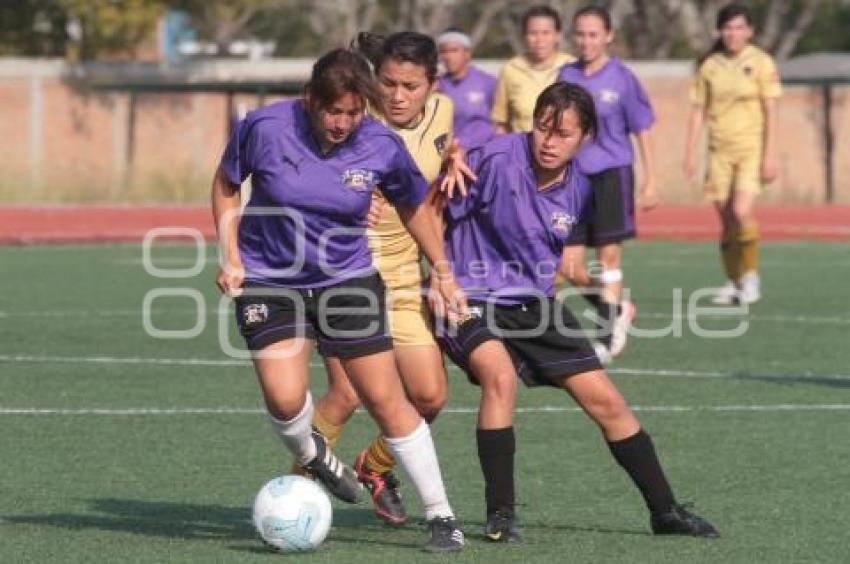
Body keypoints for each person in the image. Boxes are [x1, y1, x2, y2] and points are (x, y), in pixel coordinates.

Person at [436, 81, 719, 543]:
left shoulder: (579, 189)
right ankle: (501, 515)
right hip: (471, 298)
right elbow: (434, 209)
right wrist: (439, 273)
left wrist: (601, 284)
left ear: (584, 137)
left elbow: (561, 263)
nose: (548, 141)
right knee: (498, 379)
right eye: (543, 128)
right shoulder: (490, 158)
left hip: (533, 305)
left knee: (607, 401)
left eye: (562, 133)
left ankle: (665, 512)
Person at [212, 47, 465, 552]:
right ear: (310, 99)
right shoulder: (264, 126)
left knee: (385, 399)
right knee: (284, 399)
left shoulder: (380, 144)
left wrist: (443, 272)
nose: (343, 123)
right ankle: (316, 456)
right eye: (333, 111)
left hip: (347, 279)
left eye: (353, 113)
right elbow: (226, 184)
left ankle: (442, 515)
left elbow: (414, 207)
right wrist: (230, 254)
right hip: (271, 278)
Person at [299, 31, 465, 528]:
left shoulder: (444, 113)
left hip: (404, 279)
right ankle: (296, 487)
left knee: (431, 397)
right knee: (347, 394)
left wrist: (456, 158)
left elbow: (436, 158)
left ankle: (373, 468)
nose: (397, 95)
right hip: (346, 276)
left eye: (409, 85)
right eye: (387, 83)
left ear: (431, 85)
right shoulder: (355, 123)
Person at [556, 5, 658, 361]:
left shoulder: (622, 78)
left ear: (609, 36)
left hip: (612, 174)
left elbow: (642, 127)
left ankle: (606, 337)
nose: (586, 41)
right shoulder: (565, 75)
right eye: (580, 34)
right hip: (572, 179)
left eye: (593, 34)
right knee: (567, 265)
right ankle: (619, 307)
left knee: (609, 255)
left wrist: (651, 179)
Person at [684, 2, 781, 305]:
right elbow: (698, 111)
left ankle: (751, 278)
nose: (733, 34)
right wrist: (689, 153)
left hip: (750, 148)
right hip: (718, 152)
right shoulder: (710, 65)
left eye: (739, 27)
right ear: (720, 31)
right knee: (726, 220)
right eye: (728, 27)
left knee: (741, 212)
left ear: (750, 31)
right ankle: (733, 281)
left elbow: (771, 111)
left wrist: (770, 154)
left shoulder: (762, 63)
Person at [491, 5, 574, 134]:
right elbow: (501, 122)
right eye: (533, 33)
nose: (539, 40)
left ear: (558, 35)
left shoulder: (572, 67)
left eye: (546, 33)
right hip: (521, 149)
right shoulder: (511, 69)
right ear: (524, 36)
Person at [436, 29, 498, 149]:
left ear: (467, 53)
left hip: (482, 150)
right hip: (449, 152)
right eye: (444, 51)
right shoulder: (437, 86)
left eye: (454, 50)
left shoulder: (488, 82)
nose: (448, 56)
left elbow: (500, 122)